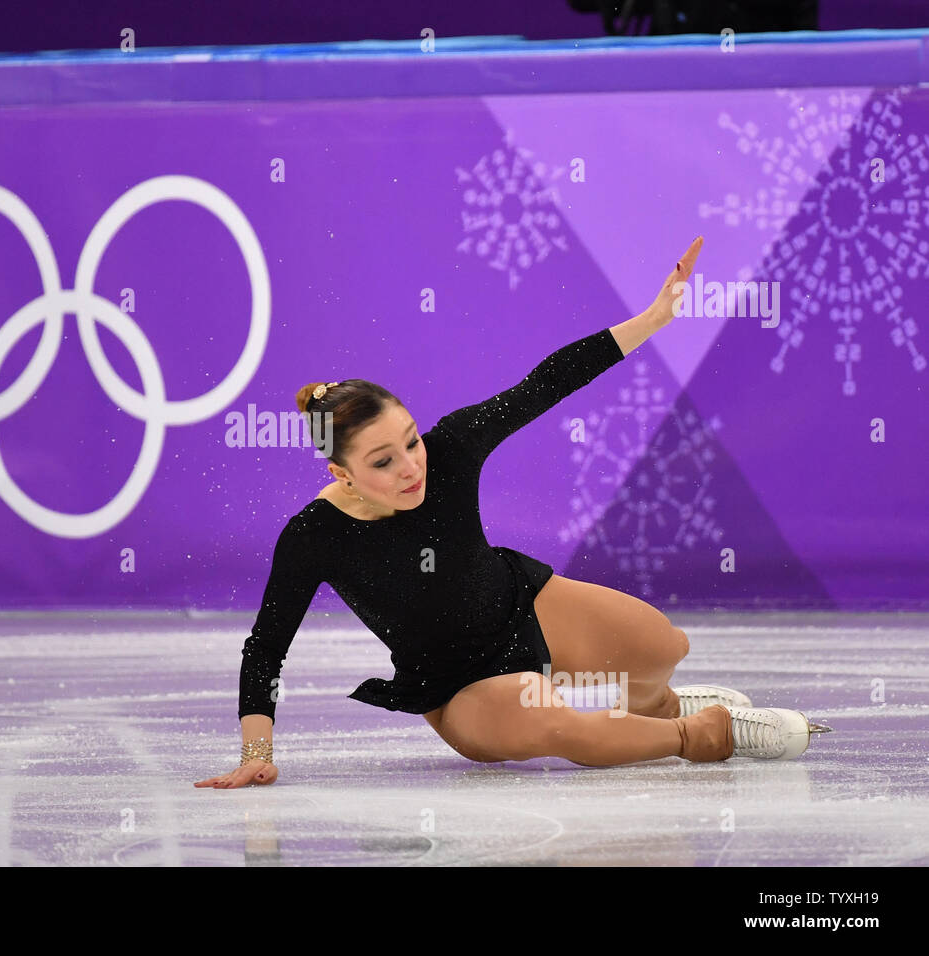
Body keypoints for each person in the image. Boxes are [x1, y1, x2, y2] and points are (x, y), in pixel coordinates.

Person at [195, 237, 828, 790]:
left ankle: (661, 706)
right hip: (459, 689)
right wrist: (257, 753)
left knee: (665, 643)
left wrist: (654, 319)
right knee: (553, 721)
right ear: (342, 474)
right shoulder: (314, 535)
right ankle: (703, 735)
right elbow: (266, 649)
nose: (412, 467)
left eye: (410, 441)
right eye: (382, 462)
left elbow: (545, 383)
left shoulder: (450, 449)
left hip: (519, 606)